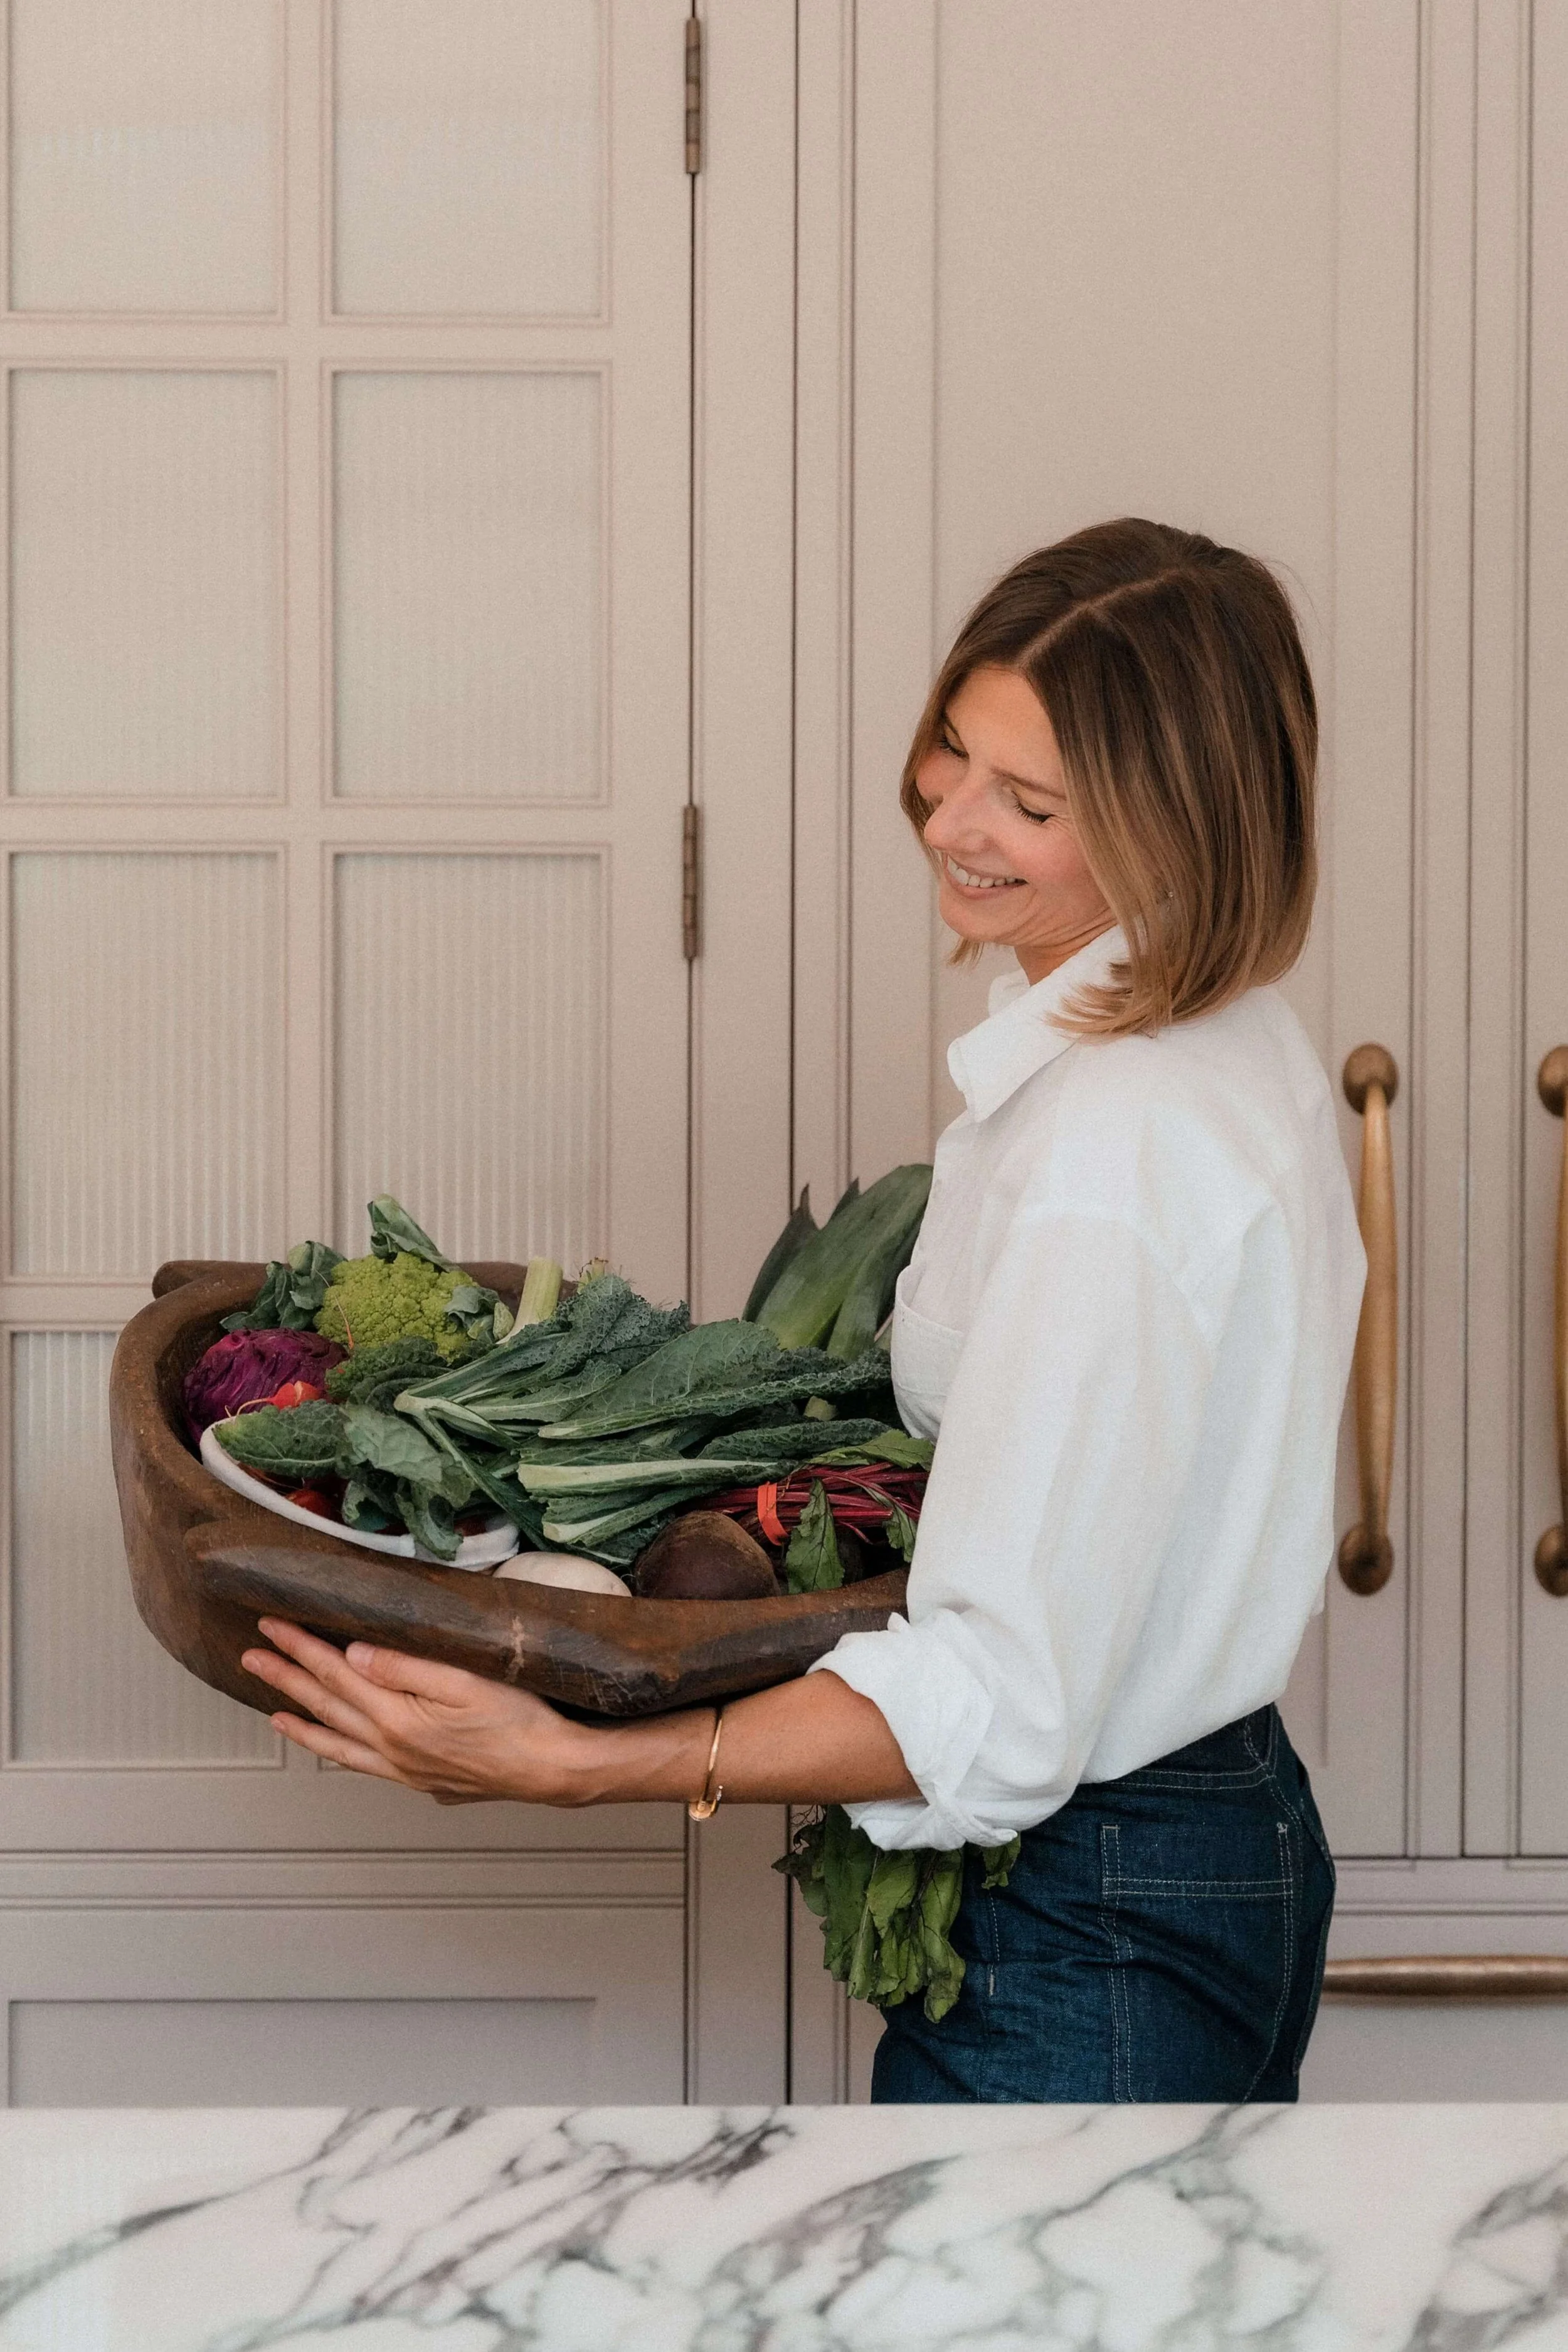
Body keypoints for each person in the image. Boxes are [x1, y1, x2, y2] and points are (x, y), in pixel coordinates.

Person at [244, 518, 1365, 2104]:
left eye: (1030, 803)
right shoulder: (1219, 1040)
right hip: (1200, 1842)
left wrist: (584, 1766)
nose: (950, 823)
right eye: (951, 754)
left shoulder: (1115, 1147)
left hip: (1094, 1912)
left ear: (1182, 827)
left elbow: (1004, 1706)